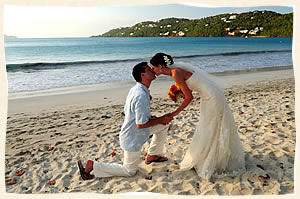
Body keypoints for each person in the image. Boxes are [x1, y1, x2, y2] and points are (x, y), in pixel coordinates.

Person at [150, 53, 245, 180]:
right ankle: (213, 157)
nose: (152, 70)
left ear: (161, 66)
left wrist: (174, 113)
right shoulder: (176, 71)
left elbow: (189, 97)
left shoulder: (175, 73)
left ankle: (212, 160)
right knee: (211, 126)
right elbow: (193, 86)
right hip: (210, 96)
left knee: (212, 127)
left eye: (153, 67)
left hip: (211, 98)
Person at [77, 62, 173, 180]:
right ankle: (93, 165)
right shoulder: (140, 95)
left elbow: (130, 113)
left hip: (140, 130)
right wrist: (161, 118)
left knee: (164, 124)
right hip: (133, 136)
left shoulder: (137, 89)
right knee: (129, 171)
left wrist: (157, 119)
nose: (153, 70)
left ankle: (152, 155)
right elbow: (141, 124)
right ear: (143, 75)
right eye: (149, 69)